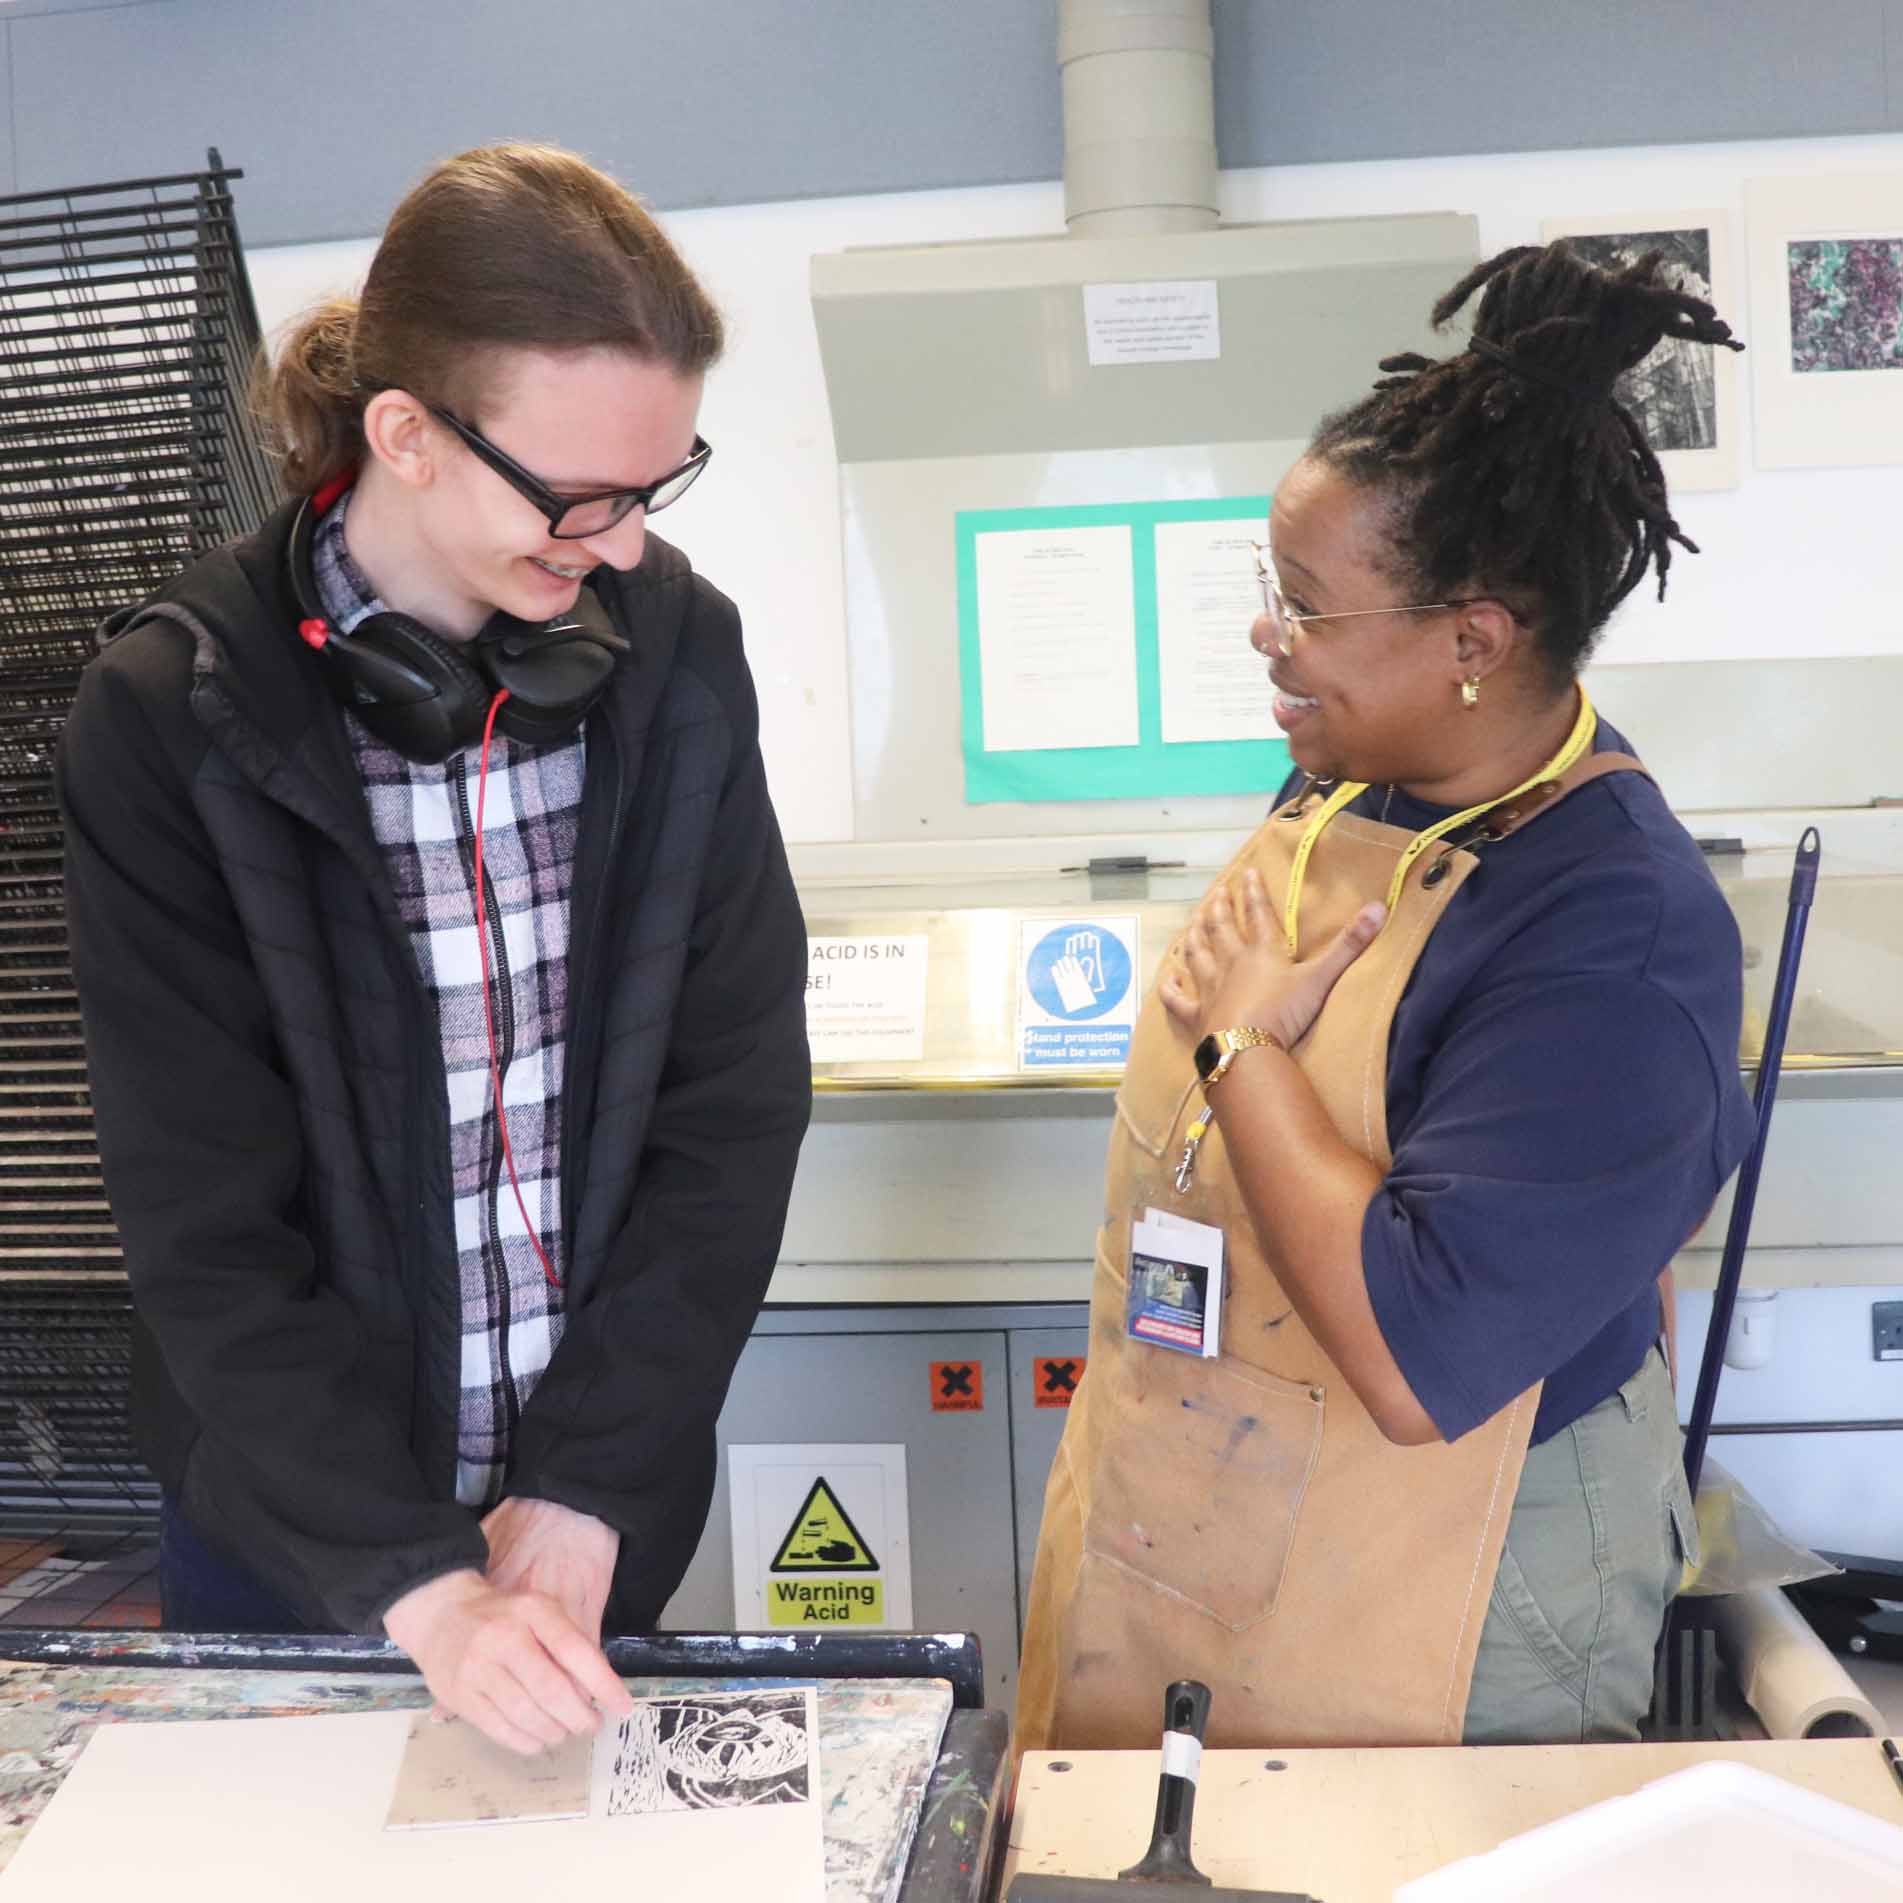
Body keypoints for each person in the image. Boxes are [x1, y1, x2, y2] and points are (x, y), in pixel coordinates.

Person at [57, 144, 811, 1756]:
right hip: (297, 1538)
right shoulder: (172, 714)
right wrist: (414, 1578)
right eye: (575, 498)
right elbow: (205, 1224)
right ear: (403, 431)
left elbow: (730, 1110)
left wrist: (589, 1486)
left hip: (590, 1520)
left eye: (654, 488)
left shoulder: (678, 658)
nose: (616, 546)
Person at [1017, 241, 1755, 1752]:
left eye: (1305, 611)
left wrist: (1242, 1055)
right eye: (1266, 592)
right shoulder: (1363, 772)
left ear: (1473, 643)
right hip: (1208, 1482)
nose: (1265, 640)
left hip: (1460, 1561)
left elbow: (1423, 1358)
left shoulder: (1611, 933)